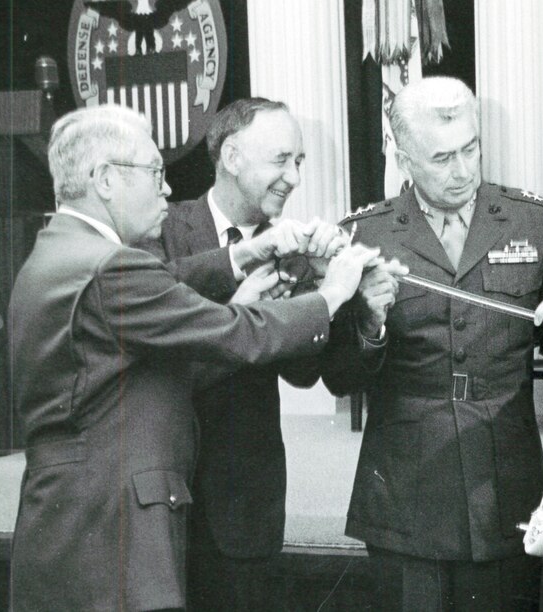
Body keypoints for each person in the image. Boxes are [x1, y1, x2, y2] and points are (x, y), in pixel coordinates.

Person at [7, 104, 380, 611]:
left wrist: (245, 254)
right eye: (154, 172)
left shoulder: (61, 249)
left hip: (79, 515)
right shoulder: (108, 266)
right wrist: (332, 294)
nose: (165, 188)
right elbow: (232, 332)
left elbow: (169, 284)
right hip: (107, 522)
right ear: (105, 179)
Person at [320, 76, 543, 610]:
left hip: (506, 480)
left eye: (470, 149)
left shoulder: (537, 223)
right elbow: (339, 377)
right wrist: (369, 324)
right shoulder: (363, 237)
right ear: (403, 160)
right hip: (406, 489)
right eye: (442, 157)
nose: (463, 170)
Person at [142, 97, 352, 611]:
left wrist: (326, 289)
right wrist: (240, 313)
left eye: (298, 162)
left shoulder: (294, 251)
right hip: (163, 490)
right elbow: (153, 362)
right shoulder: (160, 232)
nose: (294, 177)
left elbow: (305, 375)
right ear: (232, 156)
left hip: (247, 500)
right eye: (281, 160)